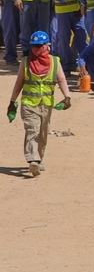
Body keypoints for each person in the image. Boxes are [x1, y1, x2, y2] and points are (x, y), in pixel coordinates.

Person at [8, 31, 71, 177]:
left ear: (46, 46)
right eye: (33, 46)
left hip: (47, 105)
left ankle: (39, 159)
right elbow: (19, 83)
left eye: (39, 46)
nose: (36, 49)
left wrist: (67, 97)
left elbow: (61, 80)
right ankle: (32, 160)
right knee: (32, 130)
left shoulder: (55, 62)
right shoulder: (25, 62)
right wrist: (12, 102)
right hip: (29, 104)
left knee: (43, 134)